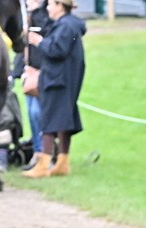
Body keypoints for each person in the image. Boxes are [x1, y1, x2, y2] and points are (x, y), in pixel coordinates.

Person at [23, 0, 85, 179]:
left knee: (49, 121)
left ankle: (43, 164)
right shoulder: (69, 25)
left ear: (59, 6)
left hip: (57, 80)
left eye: (50, 4)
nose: (47, 8)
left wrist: (39, 42)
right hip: (66, 79)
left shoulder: (66, 27)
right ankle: (62, 162)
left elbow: (58, 49)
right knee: (64, 121)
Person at [19, 0, 51, 171]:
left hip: (44, 72)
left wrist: (36, 12)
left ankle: (45, 153)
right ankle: (38, 152)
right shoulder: (26, 11)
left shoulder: (46, 13)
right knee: (32, 114)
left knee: (38, 112)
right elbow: (24, 47)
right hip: (30, 72)